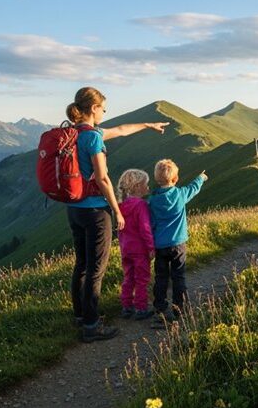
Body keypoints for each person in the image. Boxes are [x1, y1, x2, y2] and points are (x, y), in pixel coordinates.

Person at [65, 87, 169, 342]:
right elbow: (102, 177)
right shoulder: (93, 138)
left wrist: (147, 124)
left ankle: (80, 315)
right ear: (93, 108)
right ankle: (91, 325)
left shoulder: (73, 133)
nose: (105, 113)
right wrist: (115, 208)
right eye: (103, 108)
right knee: (95, 269)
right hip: (94, 211)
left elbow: (121, 129)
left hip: (73, 209)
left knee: (81, 264)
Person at [147, 159, 207, 328]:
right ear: (175, 179)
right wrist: (201, 177)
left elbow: (151, 224)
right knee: (178, 276)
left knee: (161, 277)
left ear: (157, 180)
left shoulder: (152, 201)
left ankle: (159, 308)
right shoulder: (180, 194)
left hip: (160, 246)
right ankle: (179, 309)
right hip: (178, 244)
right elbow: (193, 188)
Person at [116, 169, 155, 321]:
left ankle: (126, 306)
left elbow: (120, 231)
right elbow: (145, 228)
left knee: (128, 278)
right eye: (145, 184)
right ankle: (141, 308)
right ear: (137, 186)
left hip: (126, 249)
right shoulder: (141, 205)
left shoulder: (121, 206)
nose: (148, 187)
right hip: (140, 250)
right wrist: (151, 248)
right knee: (142, 279)